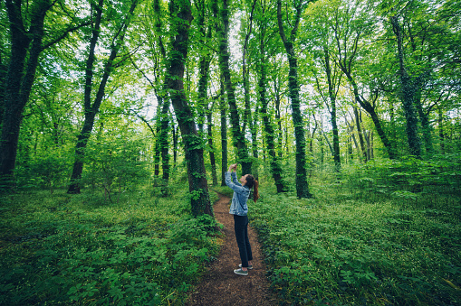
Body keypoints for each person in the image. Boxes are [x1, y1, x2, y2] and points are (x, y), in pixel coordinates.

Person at [225, 163, 259, 276]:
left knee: (241, 242)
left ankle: (244, 268)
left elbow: (229, 183)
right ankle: (248, 263)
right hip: (243, 217)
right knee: (245, 240)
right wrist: (234, 171)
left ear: (245, 181)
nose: (242, 176)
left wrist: (229, 169)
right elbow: (235, 182)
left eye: (244, 176)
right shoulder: (244, 188)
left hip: (240, 218)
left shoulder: (242, 190)